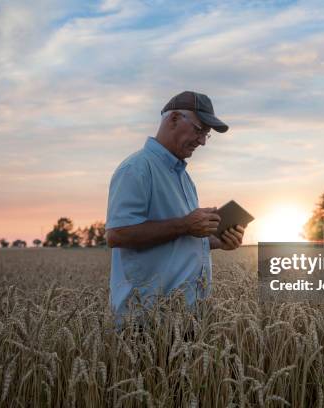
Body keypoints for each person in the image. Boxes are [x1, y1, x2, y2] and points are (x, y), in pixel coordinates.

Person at [105, 91, 246, 325]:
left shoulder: (183, 177)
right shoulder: (137, 169)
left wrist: (215, 241)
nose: (202, 141)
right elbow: (117, 234)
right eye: (199, 130)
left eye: (206, 135)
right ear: (173, 120)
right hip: (147, 322)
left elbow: (179, 240)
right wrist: (185, 224)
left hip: (186, 318)